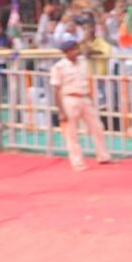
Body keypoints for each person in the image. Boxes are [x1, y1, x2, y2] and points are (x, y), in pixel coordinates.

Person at [50, 38, 113, 171]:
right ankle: (77, 162)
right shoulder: (59, 67)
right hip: (69, 98)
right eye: (71, 50)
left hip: (84, 97)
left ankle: (103, 155)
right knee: (71, 132)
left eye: (75, 49)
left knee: (97, 126)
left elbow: (88, 48)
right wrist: (60, 110)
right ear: (66, 52)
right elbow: (56, 89)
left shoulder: (82, 62)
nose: (74, 52)